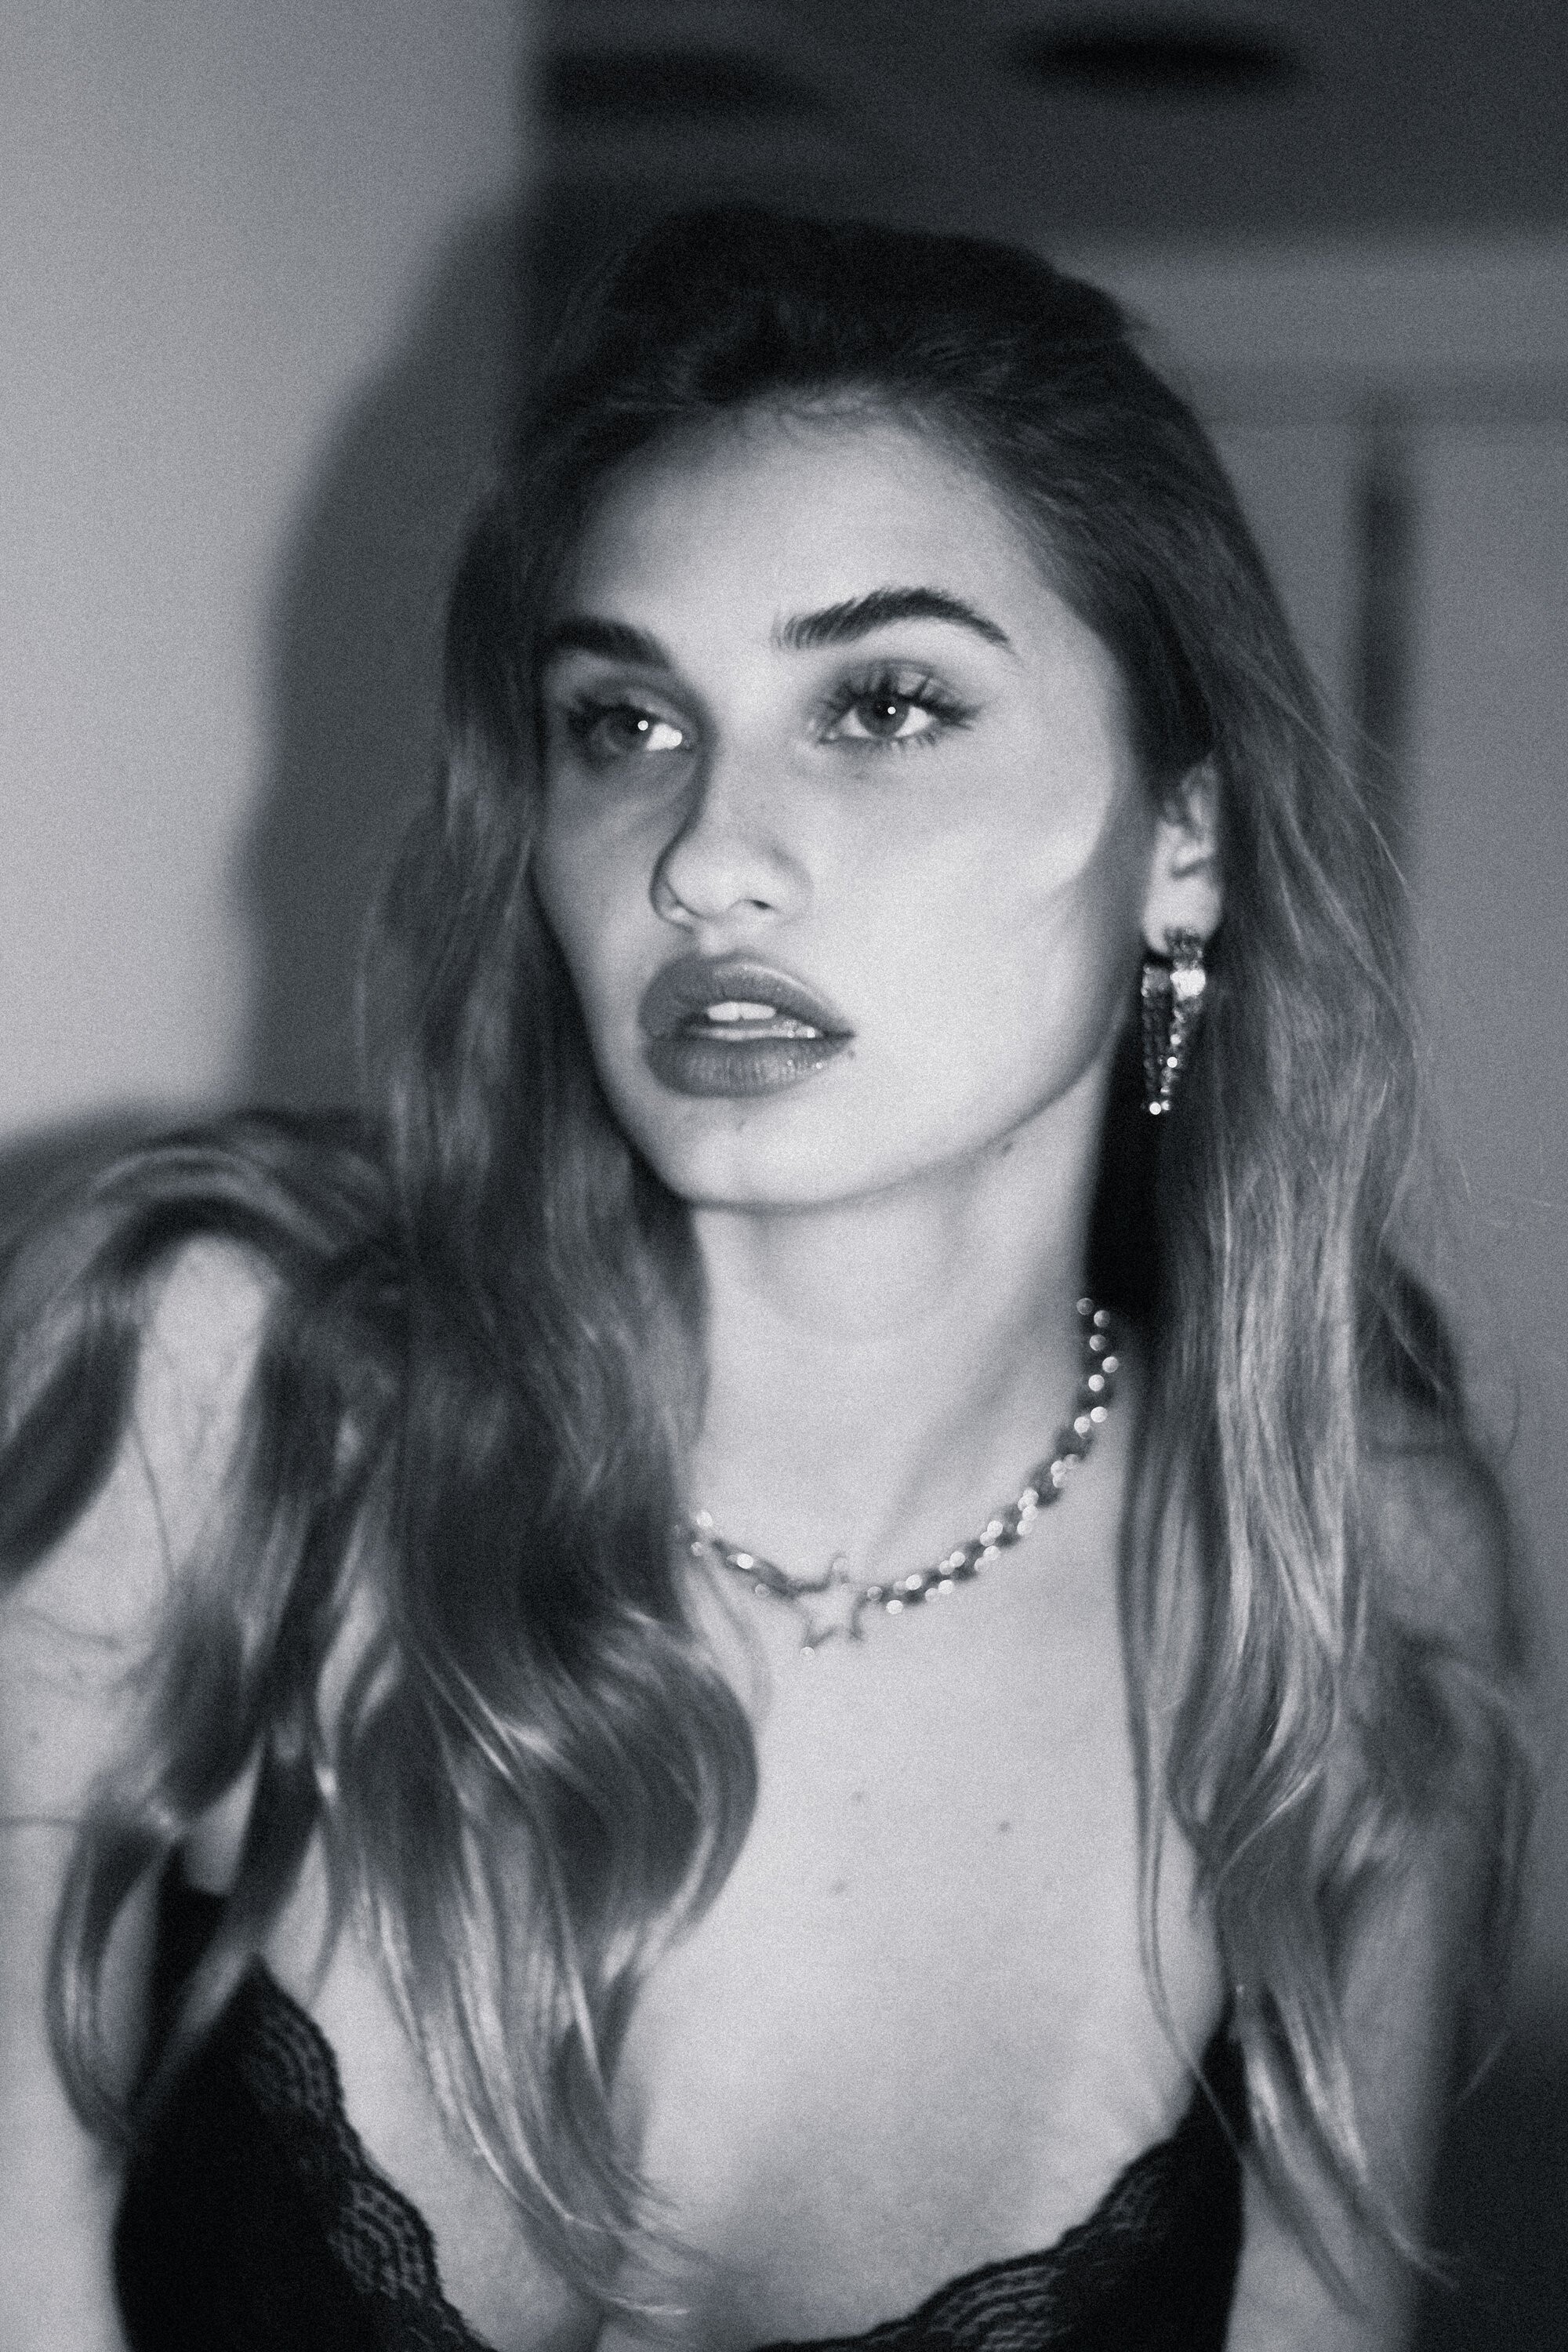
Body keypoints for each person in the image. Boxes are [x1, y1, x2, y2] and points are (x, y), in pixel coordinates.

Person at [0, 206, 1527, 2352]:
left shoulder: (1341, 1563)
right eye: (625, 723)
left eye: (883, 705)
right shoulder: (219, 1388)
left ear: (1184, 838)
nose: (706, 856)